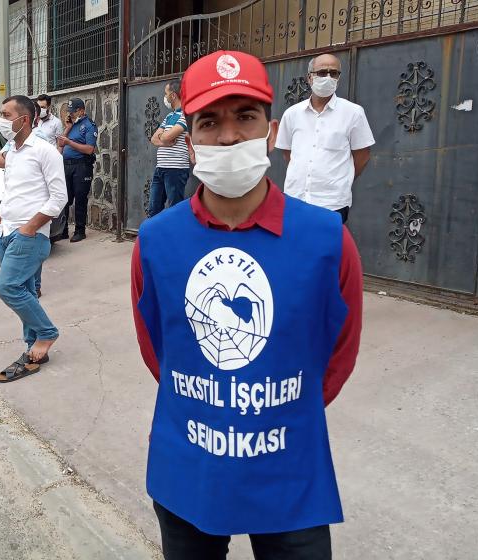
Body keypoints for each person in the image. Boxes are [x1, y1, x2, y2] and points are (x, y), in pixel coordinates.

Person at [130, 51, 363, 559]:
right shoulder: (156, 241)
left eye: (246, 116)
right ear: (189, 143)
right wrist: (216, 403)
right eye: (210, 121)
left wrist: (266, 408)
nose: (230, 136)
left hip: (288, 467)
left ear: (271, 131)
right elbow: (158, 352)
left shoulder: (326, 239)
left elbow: (338, 353)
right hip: (189, 463)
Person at [0, 95, 67, 383]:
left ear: (24, 119)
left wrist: (30, 227)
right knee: (24, 289)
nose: (1, 119)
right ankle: (32, 347)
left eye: (5, 114)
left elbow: (59, 197)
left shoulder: (45, 151)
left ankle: (47, 333)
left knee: (8, 287)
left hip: (29, 234)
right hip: (4, 231)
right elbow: (13, 189)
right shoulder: (12, 151)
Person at [275, 53, 375, 223]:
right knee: (295, 247)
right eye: (322, 73)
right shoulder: (292, 114)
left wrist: (340, 179)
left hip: (333, 203)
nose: (328, 77)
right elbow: (288, 153)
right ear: (309, 77)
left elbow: (362, 156)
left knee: (328, 249)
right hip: (295, 199)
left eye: (333, 73)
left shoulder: (353, 113)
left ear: (338, 78)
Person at [56, 98, 97, 243]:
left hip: (81, 166)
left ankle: (80, 230)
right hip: (66, 165)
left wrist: (69, 143)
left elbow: (89, 149)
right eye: (70, 112)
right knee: (65, 198)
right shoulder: (71, 126)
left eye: (73, 112)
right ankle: (63, 230)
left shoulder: (89, 126)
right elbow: (60, 145)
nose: (71, 114)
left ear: (81, 110)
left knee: (80, 198)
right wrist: (67, 128)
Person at [148, 79, 190, 217]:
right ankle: (155, 238)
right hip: (160, 168)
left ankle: (176, 238)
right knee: (154, 209)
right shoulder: (169, 116)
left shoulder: (186, 115)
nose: (164, 97)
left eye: (166, 93)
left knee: (174, 210)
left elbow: (165, 136)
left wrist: (164, 137)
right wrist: (165, 140)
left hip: (176, 169)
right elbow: (154, 138)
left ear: (173, 95)